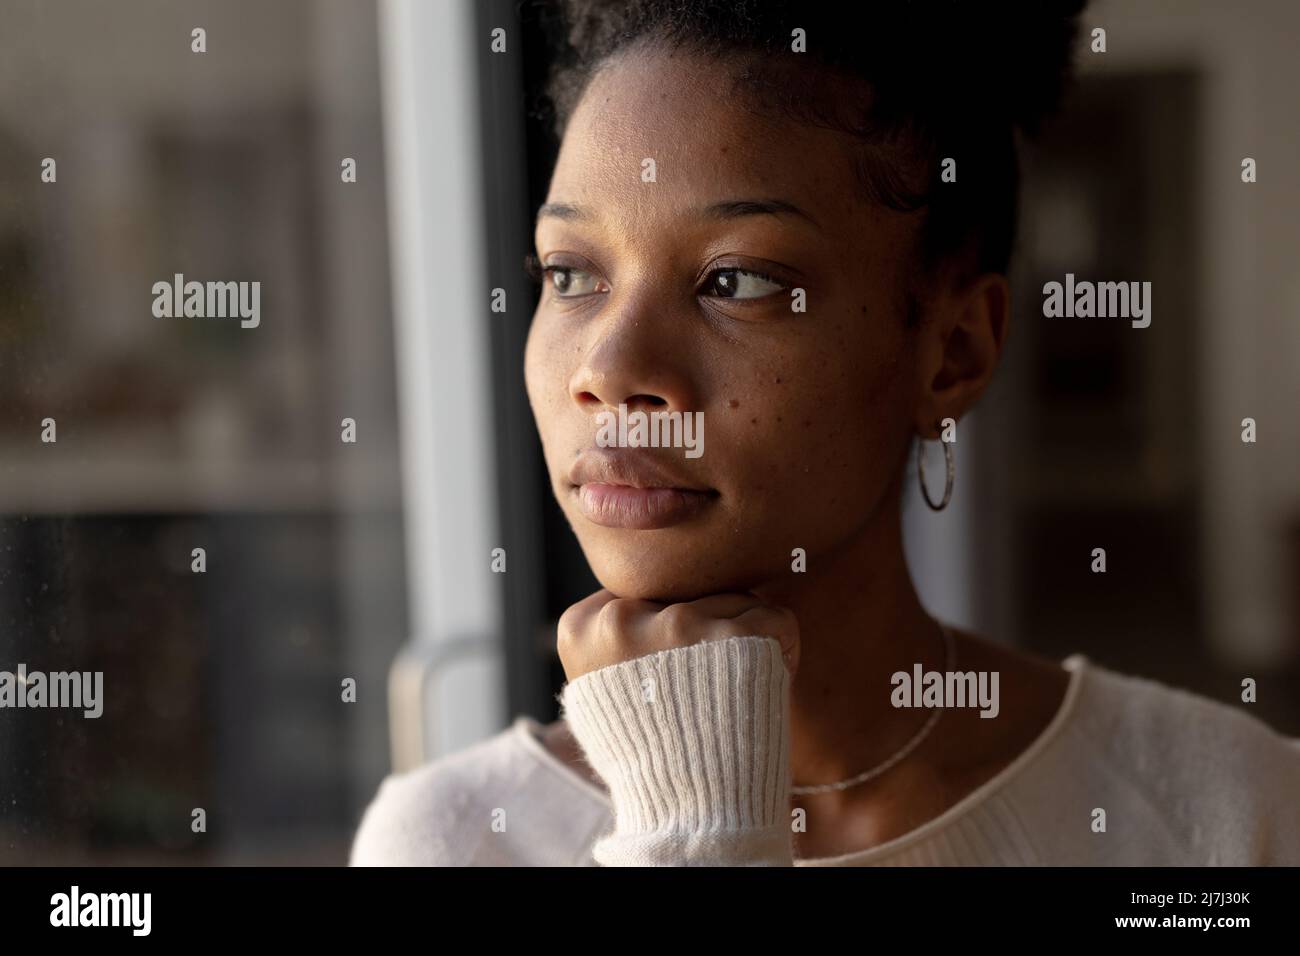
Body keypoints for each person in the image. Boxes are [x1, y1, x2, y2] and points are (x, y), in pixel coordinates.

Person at [350, 0, 1300, 866]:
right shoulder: (451, 840)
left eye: (738, 281)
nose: (606, 370)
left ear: (953, 354)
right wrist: (690, 811)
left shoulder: (1220, 816)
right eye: (570, 273)